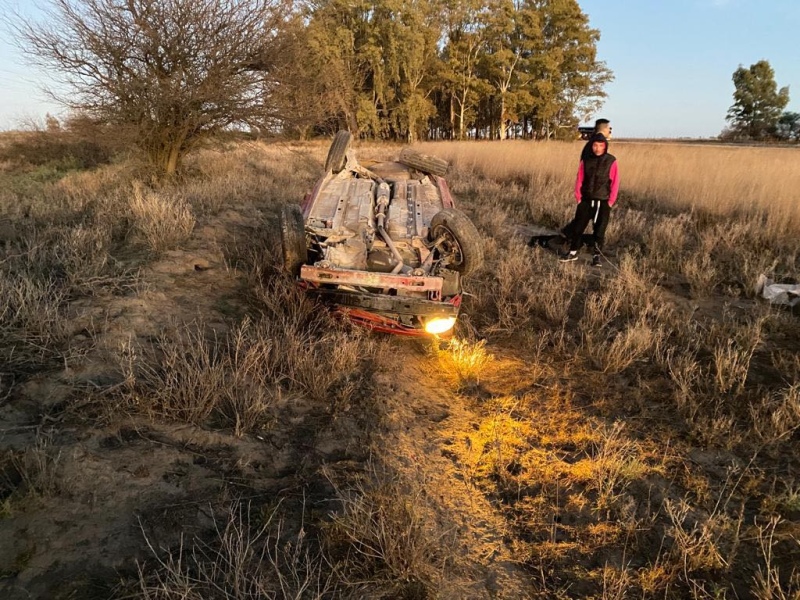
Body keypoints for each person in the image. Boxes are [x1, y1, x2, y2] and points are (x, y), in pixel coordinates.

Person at [559, 132, 619, 266]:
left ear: (605, 146)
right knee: (578, 228)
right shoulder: (585, 160)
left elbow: (615, 182)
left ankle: (596, 256)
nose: (597, 148)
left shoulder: (611, 161)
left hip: (603, 202)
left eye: (600, 145)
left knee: (599, 231)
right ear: (591, 146)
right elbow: (579, 179)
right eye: (595, 145)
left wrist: (610, 201)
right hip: (585, 200)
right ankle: (573, 252)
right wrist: (578, 197)